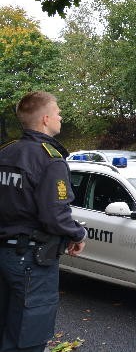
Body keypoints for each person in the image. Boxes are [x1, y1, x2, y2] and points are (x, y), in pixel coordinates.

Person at [0, 91, 86, 352]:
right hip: (31, 260)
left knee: (5, 328)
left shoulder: (5, 153)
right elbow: (55, 215)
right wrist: (77, 234)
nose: (61, 116)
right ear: (46, 119)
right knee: (29, 337)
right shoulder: (50, 160)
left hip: (3, 254)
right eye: (58, 112)